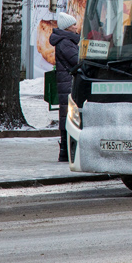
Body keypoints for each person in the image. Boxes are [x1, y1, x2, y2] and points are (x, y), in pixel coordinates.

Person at [50, 12, 81, 162]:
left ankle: (64, 152)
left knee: (65, 115)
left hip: (65, 82)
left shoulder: (66, 41)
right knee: (67, 115)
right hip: (68, 83)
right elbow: (76, 61)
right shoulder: (66, 43)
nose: (76, 27)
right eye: (74, 24)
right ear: (68, 27)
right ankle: (65, 152)